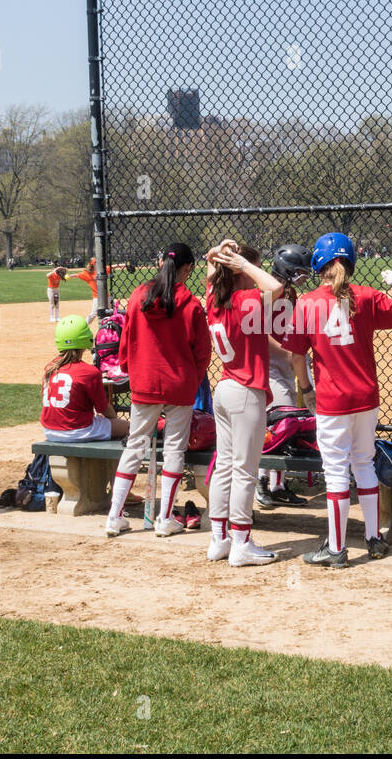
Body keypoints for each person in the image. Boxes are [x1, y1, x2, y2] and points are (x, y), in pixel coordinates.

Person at [284, 233, 392, 568]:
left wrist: (306, 389)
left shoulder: (307, 302)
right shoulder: (367, 296)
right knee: (364, 464)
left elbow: (295, 356)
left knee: (336, 473)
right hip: (366, 397)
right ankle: (374, 539)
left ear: (319, 263)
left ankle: (337, 549)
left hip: (332, 399)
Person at [104, 243, 211, 538]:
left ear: (161, 261)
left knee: (135, 444)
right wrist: (191, 377)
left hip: (145, 382)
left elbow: (125, 343)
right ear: (187, 269)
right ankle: (164, 519)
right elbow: (202, 352)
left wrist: (131, 367)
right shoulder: (190, 303)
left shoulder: (139, 295)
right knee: (175, 449)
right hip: (179, 384)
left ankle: (115, 517)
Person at [203, 240, 286, 566]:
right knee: (245, 470)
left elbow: (210, 269)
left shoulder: (215, 299)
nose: (256, 274)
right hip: (246, 390)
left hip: (223, 389)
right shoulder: (242, 300)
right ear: (238, 272)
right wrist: (242, 263)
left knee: (224, 465)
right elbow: (276, 286)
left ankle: (219, 539)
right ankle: (241, 542)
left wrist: (218, 255)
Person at [257, 243, 314, 509]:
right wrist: (288, 353)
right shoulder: (267, 291)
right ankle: (260, 481)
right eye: (299, 272)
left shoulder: (289, 293)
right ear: (286, 270)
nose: (303, 278)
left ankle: (278, 485)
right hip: (268, 365)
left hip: (285, 364)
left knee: (288, 423)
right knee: (279, 421)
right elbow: (260, 333)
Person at [41, 316, 129, 442]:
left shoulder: (50, 368)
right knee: (128, 427)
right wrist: (114, 421)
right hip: (77, 430)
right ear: (86, 339)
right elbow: (104, 409)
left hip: (49, 430)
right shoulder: (89, 372)